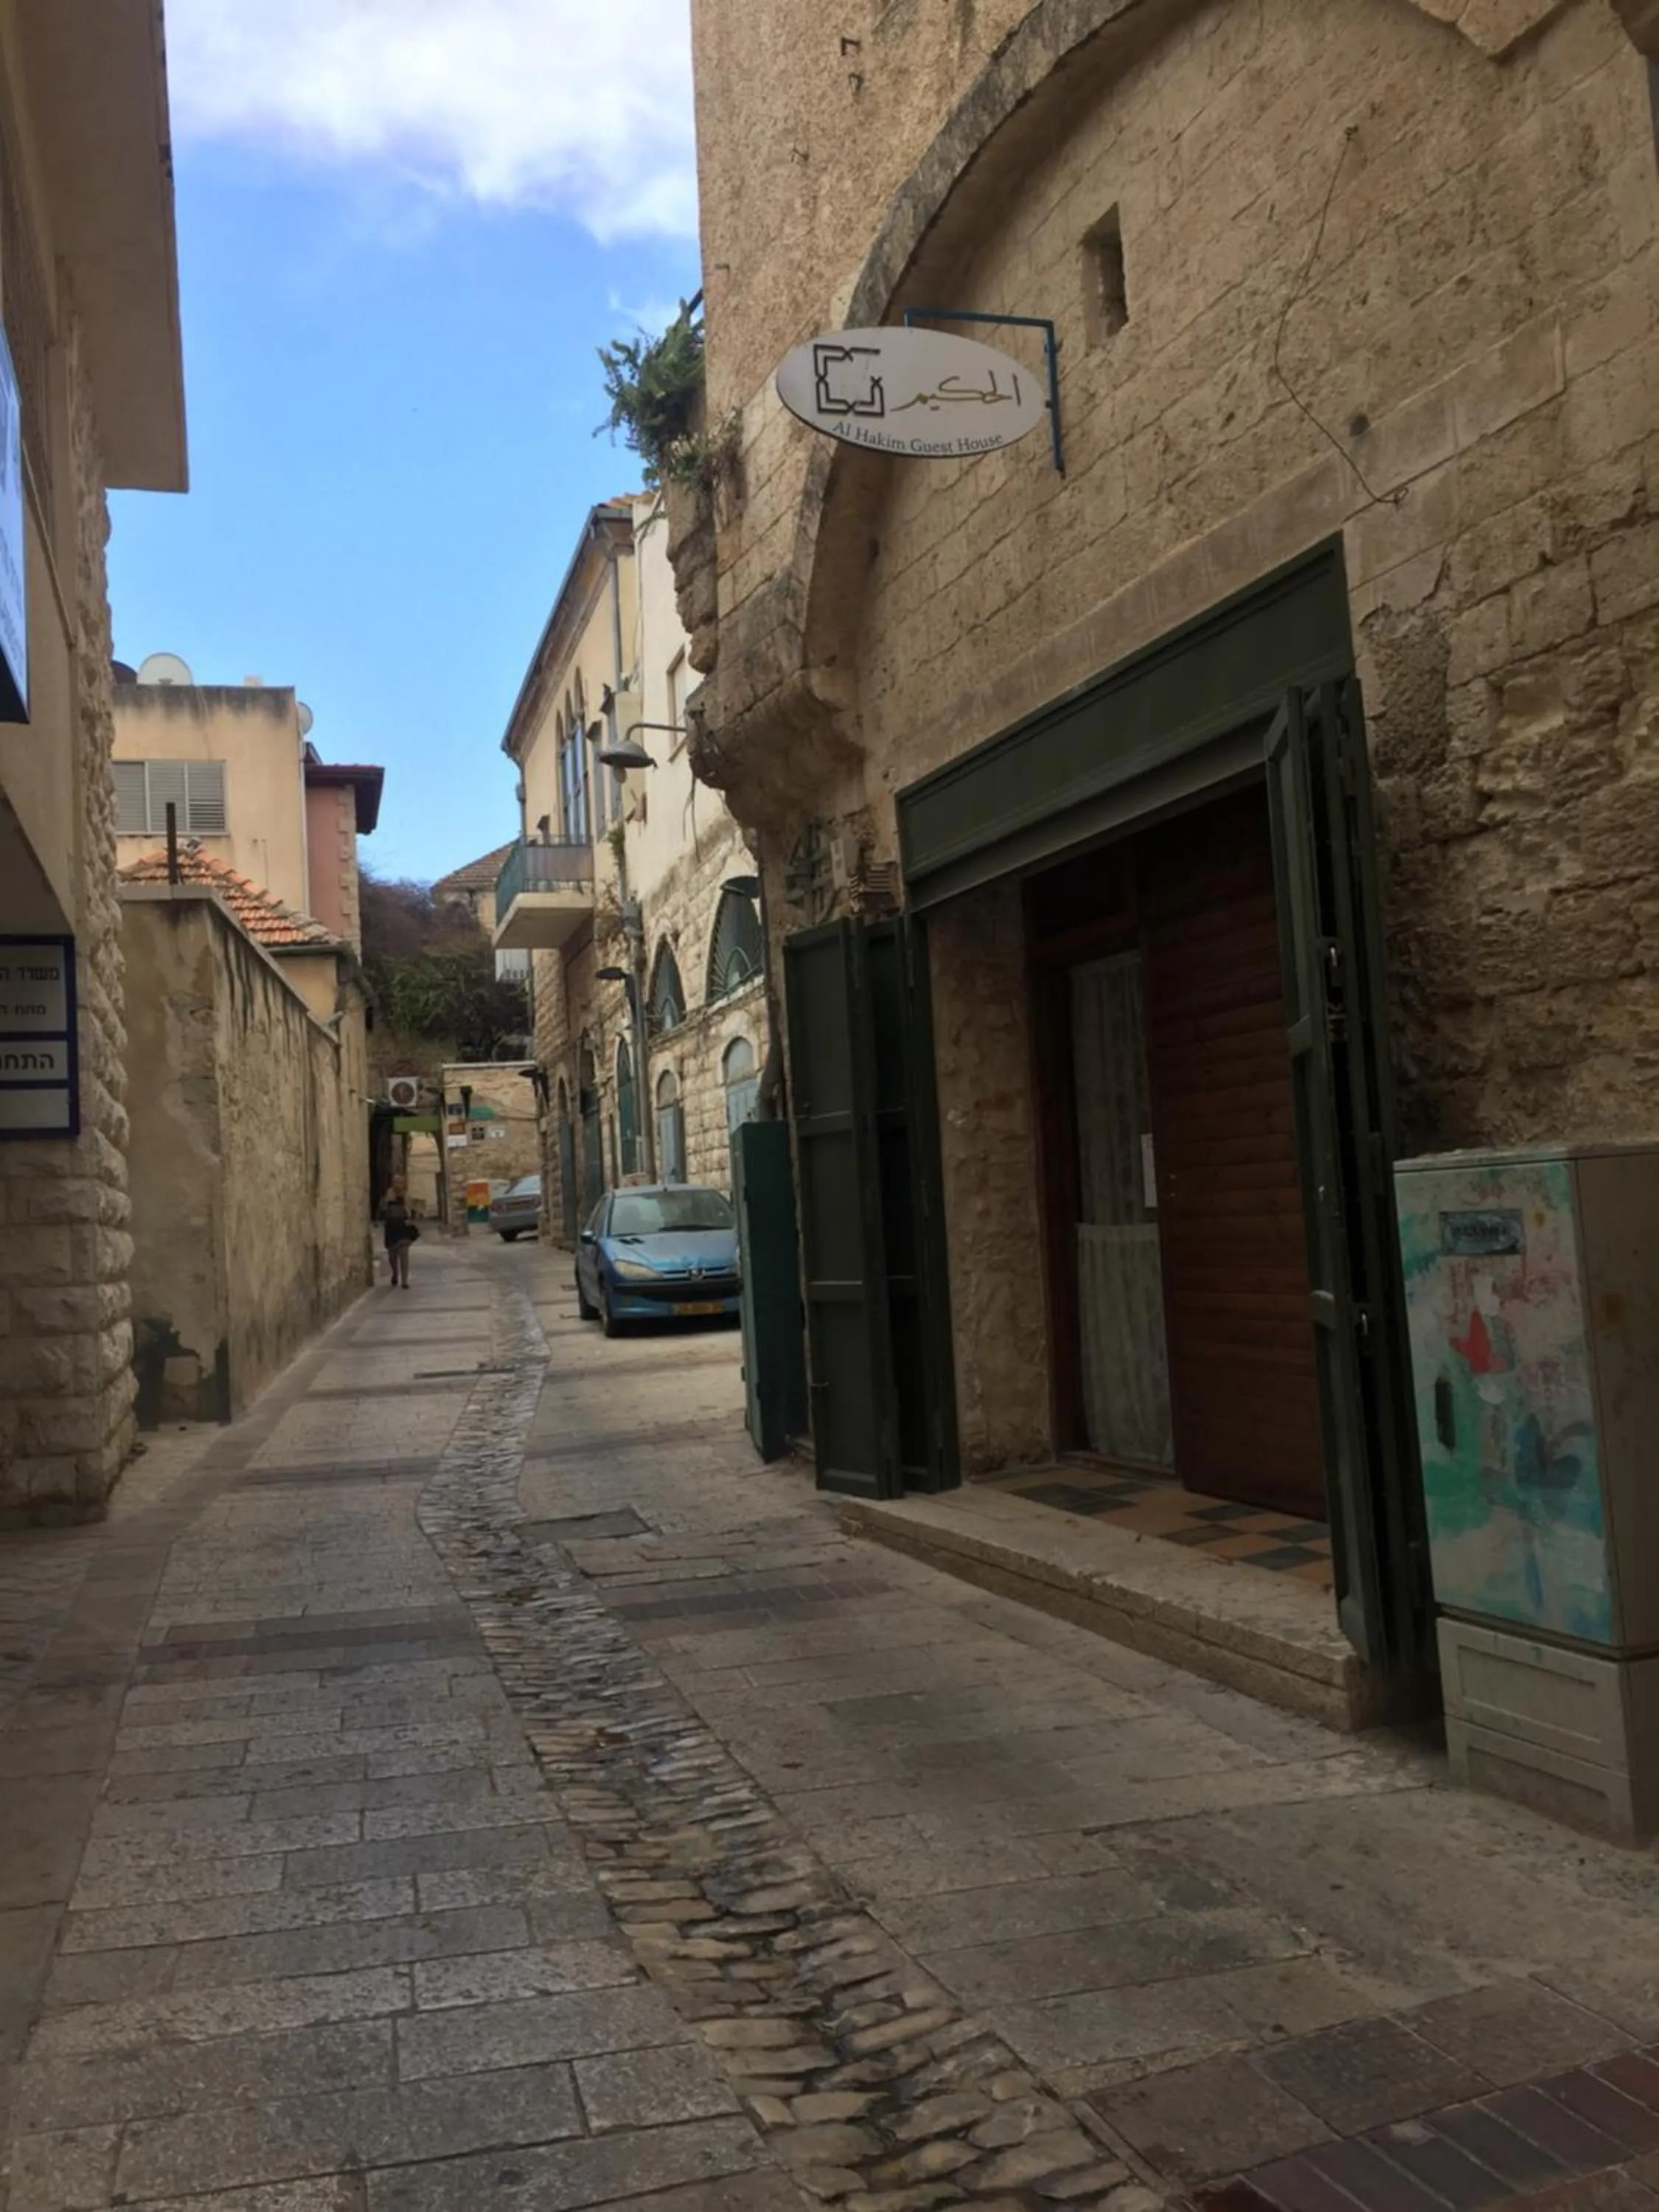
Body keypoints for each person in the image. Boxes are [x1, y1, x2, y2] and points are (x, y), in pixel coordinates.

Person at [381, 1175, 418, 1287]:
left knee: (404, 1253)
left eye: (401, 1182)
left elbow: (412, 1210)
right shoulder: (388, 1195)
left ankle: (404, 1281)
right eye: (397, 1182)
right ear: (393, 1183)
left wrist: (411, 1219)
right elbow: (382, 1209)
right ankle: (395, 1273)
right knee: (392, 1255)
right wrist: (386, 1201)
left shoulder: (406, 1196)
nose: (399, 1185)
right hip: (391, 1227)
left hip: (403, 1226)